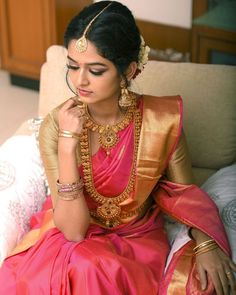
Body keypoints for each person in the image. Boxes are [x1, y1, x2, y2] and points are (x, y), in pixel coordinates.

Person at [0, 1, 235, 294]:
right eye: (72, 67)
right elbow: (73, 231)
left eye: (95, 70)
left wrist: (207, 244)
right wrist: (67, 143)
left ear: (129, 70)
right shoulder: (56, 125)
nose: (79, 81)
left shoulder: (161, 121)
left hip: (136, 241)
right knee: (84, 264)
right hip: (72, 233)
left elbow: (186, 196)